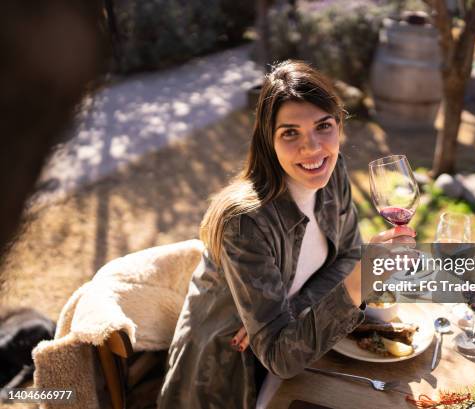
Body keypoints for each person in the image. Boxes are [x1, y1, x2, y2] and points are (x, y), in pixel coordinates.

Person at [157, 60, 415, 409]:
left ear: (339, 125)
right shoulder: (245, 222)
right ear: (268, 140)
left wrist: (291, 310)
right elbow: (280, 357)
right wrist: (358, 283)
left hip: (301, 342)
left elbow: (349, 255)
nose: (312, 148)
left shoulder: (332, 171)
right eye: (290, 132)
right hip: (227, 376)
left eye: (323, 126)